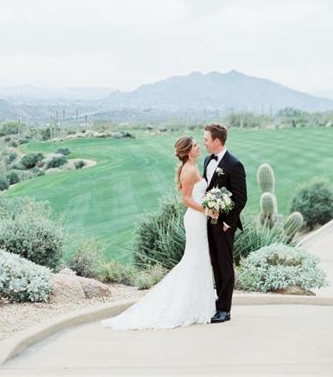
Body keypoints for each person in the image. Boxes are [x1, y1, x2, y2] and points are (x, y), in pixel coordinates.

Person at [101, 136, 218, 330]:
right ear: (189, 151)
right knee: (194, 259)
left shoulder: (193, 167)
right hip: (195, 219)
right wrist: (207, 210)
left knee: (199, 258)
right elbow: (186, 199)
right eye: (196, 145)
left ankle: (198, 304)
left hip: (199, 219)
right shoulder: (188, 171)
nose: (199, 148)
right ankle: (187, 306)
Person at [203, 123, 247, 323]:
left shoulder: (234, 164)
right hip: (207, 223)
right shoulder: (206, 160)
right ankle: (217, 304)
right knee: (215, 264)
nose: (204, 142)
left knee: (225, 265)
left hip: (223, 226)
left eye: (206, 139)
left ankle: (225, 310)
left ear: (217, 141)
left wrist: (229, 223)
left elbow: (241, 197)